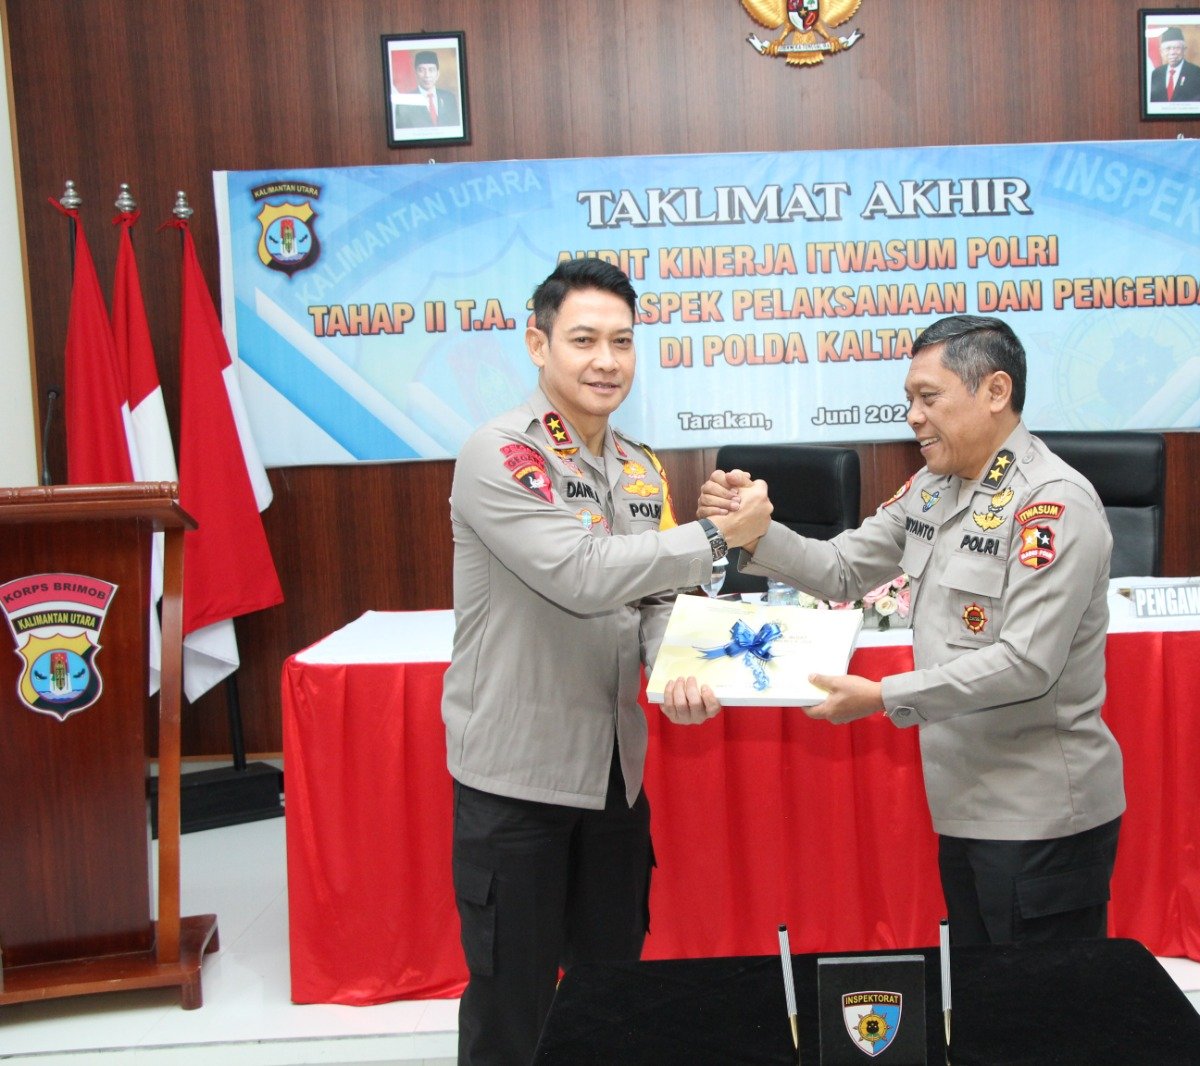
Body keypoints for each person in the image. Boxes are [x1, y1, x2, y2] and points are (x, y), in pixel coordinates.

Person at [671, 314, 1124, 947]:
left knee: (1044, 1002)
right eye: (909, 398)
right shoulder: (934, 487)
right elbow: (841, 568)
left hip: (1041, 816)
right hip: (966, 807)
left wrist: (883, 696)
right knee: (982, 995)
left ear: (996, 392)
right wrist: (752, 530)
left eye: (928, 397)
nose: (912, 416)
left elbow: (1025, 663)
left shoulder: (1052, 502)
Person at [443, 257, 771, 1064]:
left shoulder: (639, 467)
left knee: (610, 993)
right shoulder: (501, 455)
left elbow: (654, 600)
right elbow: (581, 576)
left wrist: (680, 670)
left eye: (622, 342)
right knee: (513, 1007)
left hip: (615, 777)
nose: (606, 361)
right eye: (584, 339)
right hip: (517, 777)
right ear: (538, 344)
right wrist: (716, 537)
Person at [395, 49, 462, 128]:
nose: (427, 75)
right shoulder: (405, 101)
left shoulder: (449, 98)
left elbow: (455, 126)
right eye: (421, 70)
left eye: (431, 70)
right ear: (415, 74)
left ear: (437, 74)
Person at [1149, 26, 1200, 103]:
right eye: (1167, 48)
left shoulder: (1199, 74)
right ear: (1161, 52)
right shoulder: (1156, 74)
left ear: (1184, 50)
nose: (1172, 52)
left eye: (1176, 48)